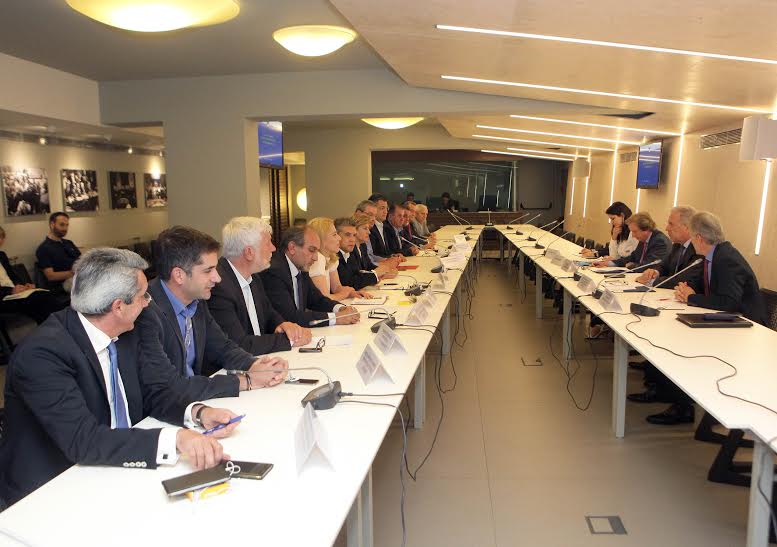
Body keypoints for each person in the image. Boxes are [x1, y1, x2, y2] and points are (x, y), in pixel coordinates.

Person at [0, 248, 243, 507]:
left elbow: (153, 394)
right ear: (118, 307)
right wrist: (176, 439)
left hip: (114, 468)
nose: (148, 302)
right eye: (143, 296)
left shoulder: (127, 330)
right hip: (50, 490)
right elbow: (83, 440)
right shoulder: (42, 354)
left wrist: (198, 413)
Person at [138, 225, 289, 383]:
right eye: (208, 270)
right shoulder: (146, 310)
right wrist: (245, 381)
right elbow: (169, 385)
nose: (217, 278)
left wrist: (257, 365)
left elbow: (222, 347)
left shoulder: (197, 301)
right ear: (179, 275)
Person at [208, 217, 313, 355]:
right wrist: (290, 340)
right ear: (249, 252)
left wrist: (283, 324)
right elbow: (239, 344)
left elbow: (268, 314)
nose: (273, 248)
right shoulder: (219, 286)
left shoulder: (254, 277)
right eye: (268, 243)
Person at [674, 211, 766, 324]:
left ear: (699, 238)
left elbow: (729, 303)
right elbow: (701, 285)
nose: (691, 242)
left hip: (748, 323)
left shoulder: (727, 259)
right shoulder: (710, 256)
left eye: (691, 237)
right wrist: (685, 290)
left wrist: (691, 297)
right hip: (726, 319)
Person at [260, 226, 360, 328]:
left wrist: (339, 308)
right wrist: (336, 318)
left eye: (317, 251)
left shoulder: (300, 265)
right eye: (312, 250)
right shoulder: (274, 271)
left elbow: (316, 300)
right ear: (292, 248)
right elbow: (290, 317)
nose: (316, 257)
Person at [0, 226, 65, 323]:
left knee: (45, 296)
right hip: (3, 298)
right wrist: (10, 290)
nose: (0, 240)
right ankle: (63, 326)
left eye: (1, 237)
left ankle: (61, 326)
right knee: (39, 299)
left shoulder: (1, 255)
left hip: (15, 294)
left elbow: (12, 276)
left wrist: (24, 285)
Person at [635, 206, 702, 286]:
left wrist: (651, 282)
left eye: (671, 224)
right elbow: (664, 266)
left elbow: (684, 279)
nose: (667, 228)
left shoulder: (698, 249)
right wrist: (654, 272)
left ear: (687, 227)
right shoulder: (677, 245)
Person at [307, 217, 370, 301]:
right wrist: (345, 294)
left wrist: (351, 293)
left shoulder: (331, 257)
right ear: (321, 238)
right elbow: (324, 299)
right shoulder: (317, 259)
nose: (339, 238)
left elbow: (336, 287)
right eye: (334, 234)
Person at [593, 211, 671, 269]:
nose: (633, 236)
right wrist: (608, 263)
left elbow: (649, 265)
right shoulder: (644, 239)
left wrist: (632, 266)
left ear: (646, 229)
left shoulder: (660, 241)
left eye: (635, 231)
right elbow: (632, 257)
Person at [335, 217, 393, 290]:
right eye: (347, 235)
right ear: (336, 236)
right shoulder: (335, 256)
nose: (352, 239)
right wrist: (375, 274)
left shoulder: (348, 253)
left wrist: (381, 272)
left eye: (354, 235)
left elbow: (359, 273)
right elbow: (349, 282)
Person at [35, 211, 81, 294]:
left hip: (77, 277)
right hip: (62, 285)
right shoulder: (44, 249)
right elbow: (51, 276)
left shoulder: (68, 243)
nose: (65, 229)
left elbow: (81, 260)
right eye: (62, 225)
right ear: (52, 225)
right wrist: (73, 273)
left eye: (67, 225)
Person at [368, 194, 392, 259]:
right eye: (382, 208)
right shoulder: (369, 227)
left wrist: (392, 256)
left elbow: (385, 252)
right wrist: (388, 259)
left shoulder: (384, 226)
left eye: (387, 208)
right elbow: (372, 255)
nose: (386, 212)